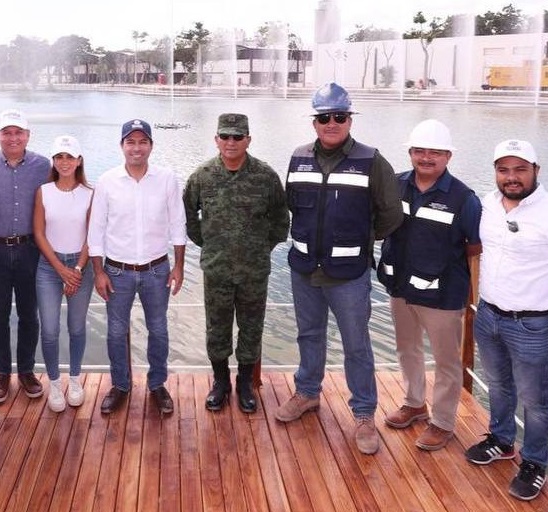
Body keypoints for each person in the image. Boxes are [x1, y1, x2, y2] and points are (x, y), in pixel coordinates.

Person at [466, 139, 548, 501]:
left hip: (533, 324)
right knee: (497, 384)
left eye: (520, 169)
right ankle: (501, 440)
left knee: (535, 398)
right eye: (503, 169)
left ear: (536, 171)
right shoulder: (485, 206)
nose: (511, 177)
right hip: (489, 314)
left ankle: (535, 463)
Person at [274, 83, 404, 456]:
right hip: (304, 271)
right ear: (315, 122)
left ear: (349, 119)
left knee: (357, 345)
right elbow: (291, 206)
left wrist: (360, 241)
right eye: (324, 117)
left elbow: (390, 215)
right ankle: (307, 393)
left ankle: (363, 414)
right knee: (308, 335)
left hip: (349, 275)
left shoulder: (371, 161)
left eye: (339, 117)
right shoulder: (298, 157)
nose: (331, 124)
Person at [377, 119, 481, 451]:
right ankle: (414, 403)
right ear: (410, 153)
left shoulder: (464, 199)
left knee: (446, 361)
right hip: (401, 288)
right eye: (419, 151)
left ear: (448, 156)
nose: (426, 158)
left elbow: (474, 248)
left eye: (435, 152)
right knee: (407, 349)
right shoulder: (394, 185)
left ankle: (443, 422)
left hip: (443, 295)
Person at [183, 113, 288, 413]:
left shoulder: (265, 176)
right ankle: (220, 382)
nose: (231, 142)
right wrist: (212, 244)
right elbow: (188, 216)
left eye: (237, 137)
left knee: (251, 327)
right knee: (216, 328)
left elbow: (281, 220)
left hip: (254, 270)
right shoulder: (202, 176)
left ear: (248, 140)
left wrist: (260, 248)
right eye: (225, 136)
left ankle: (244, 383)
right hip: (217, 270)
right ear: (216, 139)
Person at [88, 119, 186, 415]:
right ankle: (120, 385)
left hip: (157, 270)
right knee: (116, 331)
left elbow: (177, 224)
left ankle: (157, 385)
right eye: (130, 142)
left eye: (143, 141)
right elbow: (96, 229)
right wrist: (98, 271)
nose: (137, 147)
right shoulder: (106, 181)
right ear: (121, 146)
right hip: (116, 271)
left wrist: (179, 266)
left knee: (158, 329)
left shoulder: (167, 178)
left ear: (151, 146)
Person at [0, 109, 52, 404]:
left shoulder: (44, 165)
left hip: (30, 248)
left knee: (29, 315)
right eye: (7, 132)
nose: (13, 137)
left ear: (28, 136)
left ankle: (28, 372)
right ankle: (2, 374)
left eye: (19, 132)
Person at [33, 135, 95, 412]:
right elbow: (38, 232)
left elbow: (93, 235)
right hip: (49, 266)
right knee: (49, 329)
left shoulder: (91, 193)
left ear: (79, 160)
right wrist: (61, 270)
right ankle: (55, 383)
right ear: (54, 161)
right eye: (59, 157)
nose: (64, 162)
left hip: (81, 266)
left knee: (77, 327)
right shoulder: (43, 191)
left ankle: (75, 378)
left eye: (70, 156)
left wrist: (78, 270)